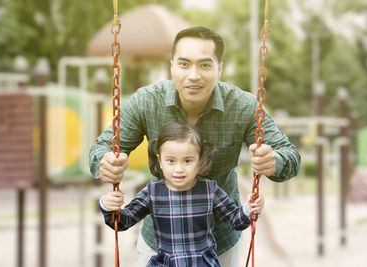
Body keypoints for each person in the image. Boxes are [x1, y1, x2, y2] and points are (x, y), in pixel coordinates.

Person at [89, 26, 300, 267]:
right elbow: (103, 146)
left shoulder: (243, 107)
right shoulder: (146, 102)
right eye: (184, 64)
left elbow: (290, 156)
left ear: (219, 69)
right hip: (159, 244)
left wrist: (274, 161)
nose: (193, 75)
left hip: (220, 241)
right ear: (172, 67)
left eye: (205, 65)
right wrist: (105, 161)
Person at [99, 122, 265, 266]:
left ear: (199, 161)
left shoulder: (210, 190)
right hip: (167, 262)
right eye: (171, 161)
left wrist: (250, 208)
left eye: (187, 161)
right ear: (160, 161)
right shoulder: (152, 192)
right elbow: (123, 222)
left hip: (203, 263)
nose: (179, 169)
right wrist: (108, 206)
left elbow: (236, 220)